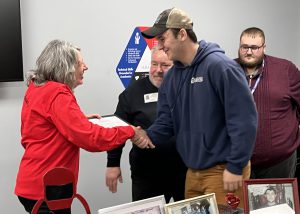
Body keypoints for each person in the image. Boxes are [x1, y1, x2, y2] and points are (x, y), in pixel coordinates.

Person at [15, 39, 153, 214]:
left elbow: (42, 124)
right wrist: (130, 131)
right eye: (80, 63)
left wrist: (77, 119)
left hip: (33, 182)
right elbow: (90, 139)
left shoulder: (38, 87)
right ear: (66, 67)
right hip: (47, 188)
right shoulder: (58, 93)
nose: (85, 67)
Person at [139, 7, 258, 208]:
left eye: (163, 38)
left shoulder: (220, 66)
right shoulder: (173, 76)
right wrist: (142, 135)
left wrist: (236, 166)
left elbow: (244, 120)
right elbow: (166, 121)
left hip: (224, 171)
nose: (159, 45)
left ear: (182, 34)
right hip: (192, 172)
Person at [105, 46, 187, 202]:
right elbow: (118, 128)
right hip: (147, 173)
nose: (158, 70)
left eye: (165, 65)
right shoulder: (132, 92)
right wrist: (112, 164)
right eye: (154, 64)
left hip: (183, 171)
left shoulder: (186, 88)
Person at [236, 27, 300, 180]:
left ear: (264, 47)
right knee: (239, 205)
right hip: (238, 162)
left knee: (278, 204)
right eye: (244, 47)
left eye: (255, 47)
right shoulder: (227, 70)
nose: (249, 52)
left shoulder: (285, 70)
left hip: (279, 162)